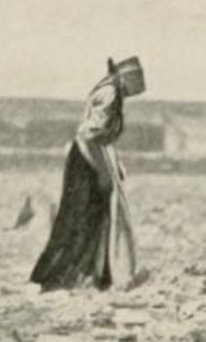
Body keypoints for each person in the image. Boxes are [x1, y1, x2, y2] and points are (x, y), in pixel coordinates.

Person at [31, 56, 145, 291]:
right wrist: (103, 171)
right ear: (128, 78)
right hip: (88, 159)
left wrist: (114, 165)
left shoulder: (108, 90)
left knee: (93, 216)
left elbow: (101, 136)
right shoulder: (110, 93)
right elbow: (89, 134)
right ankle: (65, 276)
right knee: (83, 216)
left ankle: (94, 275)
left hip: (91, 156)